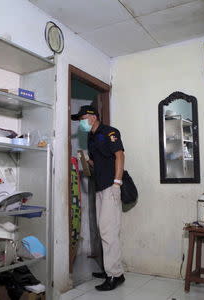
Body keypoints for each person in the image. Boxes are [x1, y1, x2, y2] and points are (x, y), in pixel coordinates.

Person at [71, 105, 125, 291]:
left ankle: (114, 276)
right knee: (104, 229)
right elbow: (99, 161)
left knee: (109, 231)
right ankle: (112, 269)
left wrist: (117, 183)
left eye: (82, 118)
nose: (80, 122)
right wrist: (86, 161)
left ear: (92, 117)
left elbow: (119, 155)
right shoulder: (92, 137)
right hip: (100, 187)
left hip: (111, 186)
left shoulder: (110, 132)